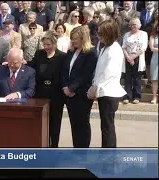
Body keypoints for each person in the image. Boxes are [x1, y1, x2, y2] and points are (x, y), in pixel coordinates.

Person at [87, 19, 126, 148]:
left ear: (108, 33)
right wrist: (94, 85)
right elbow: (99, 71)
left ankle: (109, 156)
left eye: (101, 33)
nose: (98, 36)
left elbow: (109, 74)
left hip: (109, 93)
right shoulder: (106, 48)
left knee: (108, 126)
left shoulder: (114, 50)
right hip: (104, 91)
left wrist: (96, 89)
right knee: (105, 125)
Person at [27, 31, 67, 147]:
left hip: (56, 94)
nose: (46, 47)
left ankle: (54, 145)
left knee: (55, 122)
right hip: (40, 93)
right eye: (44, 45)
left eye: (49, 45)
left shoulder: (62, 57)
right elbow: (32, 67)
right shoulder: (39, 54)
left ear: (55, 44)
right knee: (41, 121)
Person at [62, 26, 98, 148]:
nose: (73, 41)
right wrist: (65, 87)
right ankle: (76, 148)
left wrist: (72, 88)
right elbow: (65, 71)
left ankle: (83, 151)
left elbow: (86, 75)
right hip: (69, 94)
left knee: (82, 123)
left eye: (76, 39)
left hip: (82, 94)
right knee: (74, 124)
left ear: (84, 38)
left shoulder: (91, 53)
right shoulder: (71, 52)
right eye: (72, 39)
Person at [122, 18, 148, 104]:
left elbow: (144, 47)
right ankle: (127, 96)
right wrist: (128, 57)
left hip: (138, 57)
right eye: (131, 24)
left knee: (137, 78)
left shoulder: (144, 34)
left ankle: (136, 96)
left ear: (139, 25)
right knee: (127, 78)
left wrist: (133, 57)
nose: (133, 26)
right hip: (127, 57)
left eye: (135, 24)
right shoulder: (126, 34)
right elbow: (124, 47)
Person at [149, 23, 158, 104]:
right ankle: (154, 97)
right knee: (155, 79)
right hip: (155, 59)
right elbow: (152, 48)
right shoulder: (153, 36)